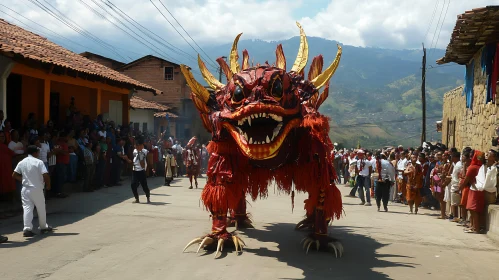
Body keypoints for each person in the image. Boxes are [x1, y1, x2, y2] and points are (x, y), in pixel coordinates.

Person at [12, 145, 53, 237]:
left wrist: (23, 180)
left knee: (27, 208)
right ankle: (43, 227)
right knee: (41, 208)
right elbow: (45, 175)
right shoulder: (39, 162)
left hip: (25, 189)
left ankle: (27, 229)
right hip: (37, 188)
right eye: (38, 152)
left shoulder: (22, 162)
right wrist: (48, 185)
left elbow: (14, 175)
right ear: (35, 153)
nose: (38, 153)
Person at [131, 138, 150, 203]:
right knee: (133, 185)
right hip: (135, 170)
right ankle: (137, 198)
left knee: (144, 185)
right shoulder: (134, 151)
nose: (136, 146)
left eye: (138, 145)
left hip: (141, 170)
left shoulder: (145, 151)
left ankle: (148, 196)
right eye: (136, 145)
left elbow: (147, 158)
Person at [449, 152, 462, 222]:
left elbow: (456, 176)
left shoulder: (458, 166)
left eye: (452, 157)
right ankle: (455, 216)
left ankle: (455, 216)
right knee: (455, 202)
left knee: (455, 203)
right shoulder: (457, 164)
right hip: (455, 184)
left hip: (456, 185)